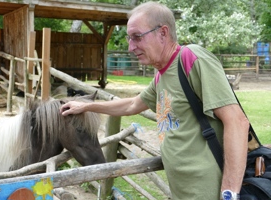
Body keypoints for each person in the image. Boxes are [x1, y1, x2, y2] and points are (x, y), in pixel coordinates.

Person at [60, 2, 249, 199]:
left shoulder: (191, 59)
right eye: (129, 39)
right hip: (183, 191)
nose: (131, 47)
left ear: (163, 33)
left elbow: (237, 122)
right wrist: (87, 106)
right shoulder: (162, 75)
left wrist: (229, 194)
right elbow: (133, 104)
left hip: (208, 191)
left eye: (137, 37)